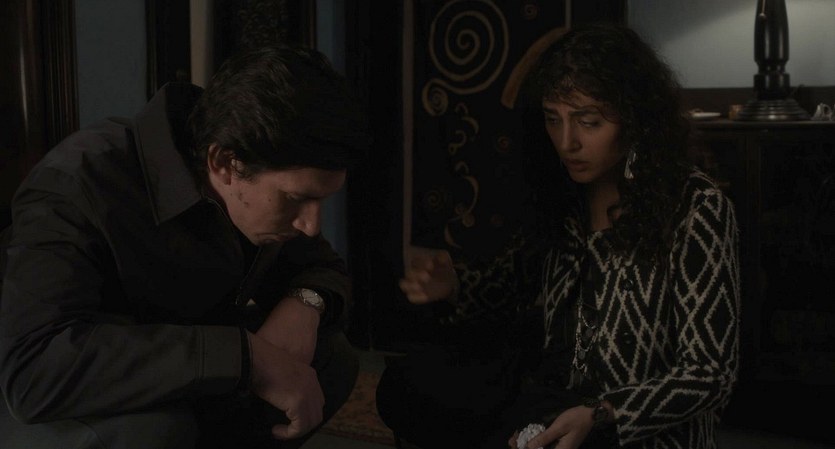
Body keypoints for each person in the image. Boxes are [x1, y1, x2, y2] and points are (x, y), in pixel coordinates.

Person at [0, 45, 369, 449]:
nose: (311, 225)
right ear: (224, 164)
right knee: (157, 431)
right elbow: (33, 372)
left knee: (331, 360)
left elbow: (323, 266)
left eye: (321, 201)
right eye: (296, 199)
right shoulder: (76, 185)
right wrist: (244, 357)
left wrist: (305, 304)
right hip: (58, 393)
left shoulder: (257, 171)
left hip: (181, 367)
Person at [498, 23, 741, 449]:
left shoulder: (695, 207)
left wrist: (604, 413)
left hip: (645, 433)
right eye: (553, 120)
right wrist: (455, 283)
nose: (567, 142)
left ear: (633, 118)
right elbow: (511, 286)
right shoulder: (562, 200)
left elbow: (709, 372)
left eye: (588, 122)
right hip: (559, 410)